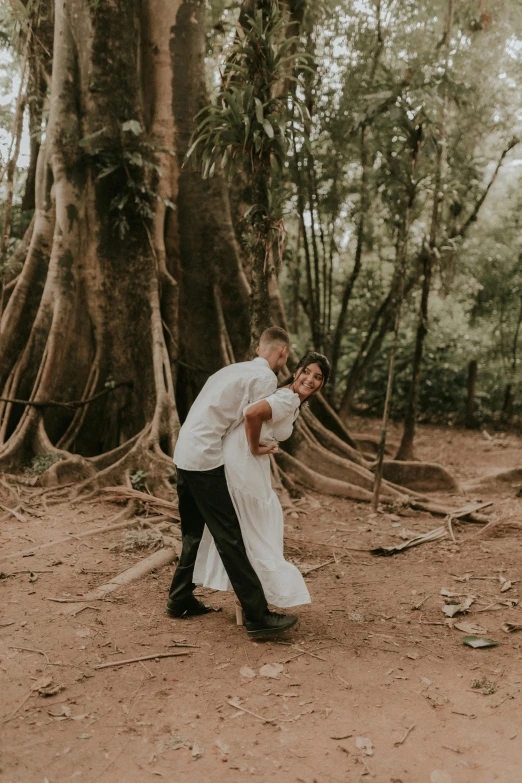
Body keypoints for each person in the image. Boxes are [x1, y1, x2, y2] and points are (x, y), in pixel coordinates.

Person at [167, 326, 299, 638]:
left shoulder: (232, 370)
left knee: (193, 532)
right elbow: (251, 419)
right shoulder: (265, 378)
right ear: (284, 352)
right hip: (204, 459)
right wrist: (256, 449)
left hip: (183, 453)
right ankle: (257, 616)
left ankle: (179, 598)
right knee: (230, 535)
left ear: (259, 347)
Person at [193, 351, 330, 618]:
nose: (310, 380)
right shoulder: (287, 398)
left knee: (252, 529)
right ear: (296, 370)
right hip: (244, 461)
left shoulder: (290, 400)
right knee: (257, 531)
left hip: (246, 461)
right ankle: (255, 605)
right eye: (307, 372)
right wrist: (255, 447)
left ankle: (249, 602)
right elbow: (252, 413)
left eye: (318, 377)